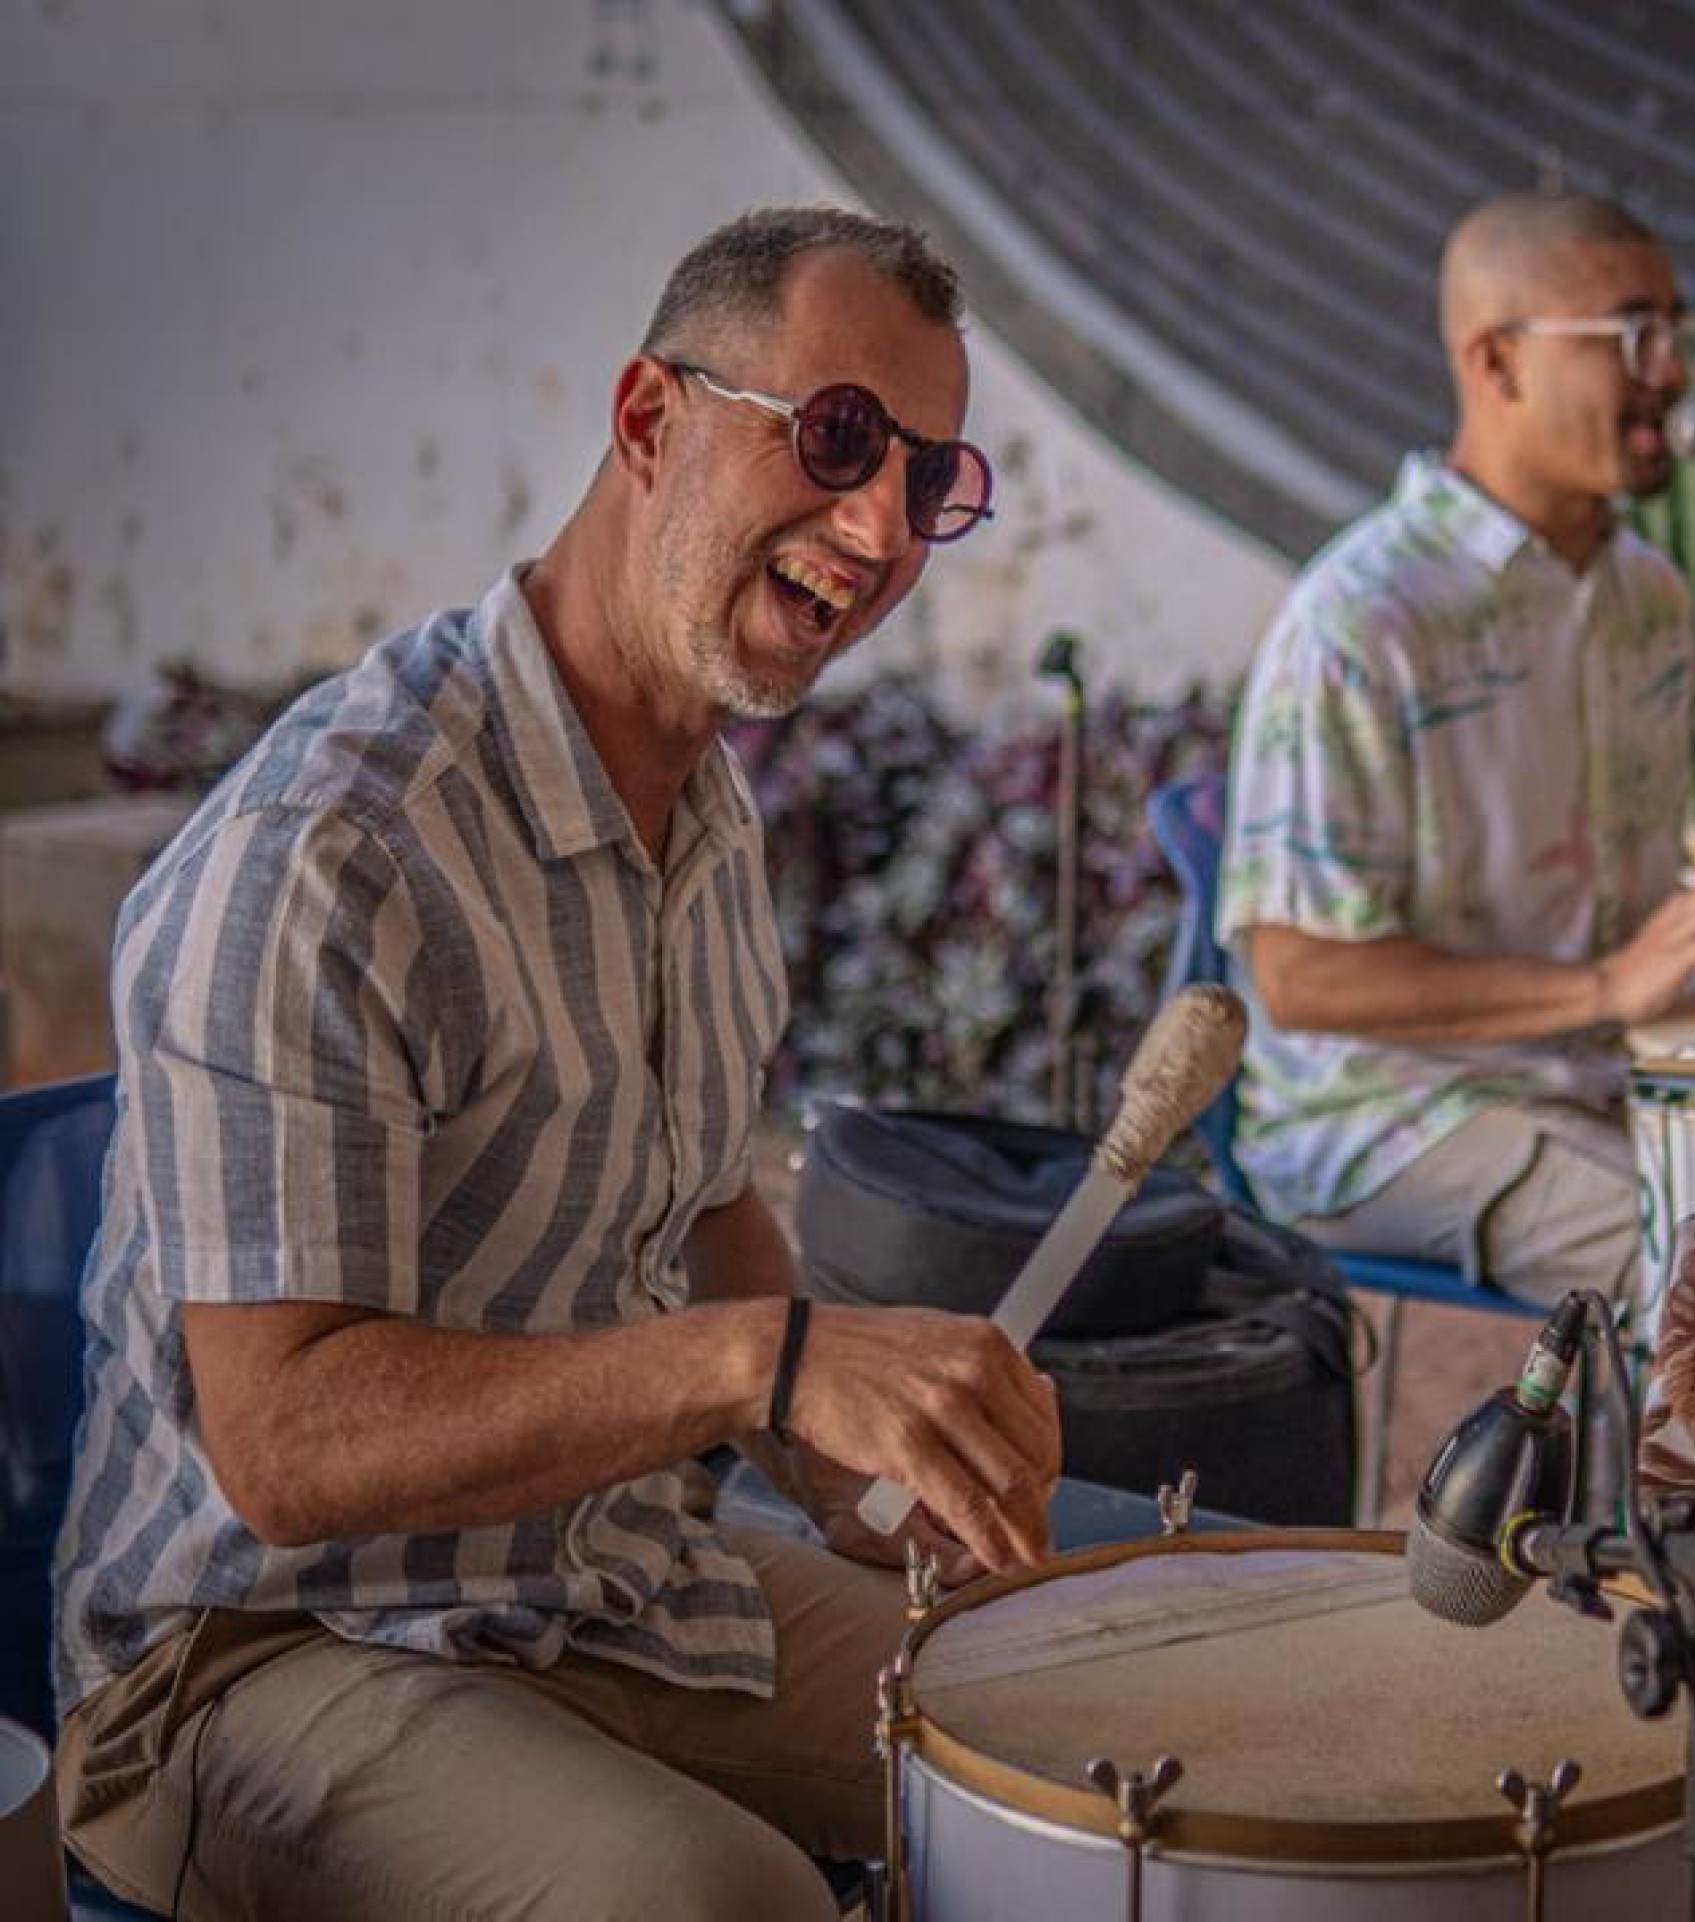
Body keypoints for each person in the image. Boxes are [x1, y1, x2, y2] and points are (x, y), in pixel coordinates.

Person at [50, 207, 1062, 1920]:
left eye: (932, 478)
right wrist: (770, 1362)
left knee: (1080, 1723)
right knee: (714, 1903)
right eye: (836, 437)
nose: (883, 526)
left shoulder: (707, 815)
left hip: (583, 1571)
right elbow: (281, 1441)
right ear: (653, 421)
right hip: (253, 1643)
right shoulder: (335, 848)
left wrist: (858, 1482)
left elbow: (716, 1204)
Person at [1218, 192, 1695, 1310]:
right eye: (1635, 336)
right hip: (1384, 1118)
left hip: (1599, 1080)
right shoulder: (1362, 615)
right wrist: (1606, 985)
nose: (1673, 372)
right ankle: (1650, 1493)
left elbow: (1624, 919)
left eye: (1680, 333)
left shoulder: (1649, 595)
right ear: (1496, 361)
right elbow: (1300, 975)